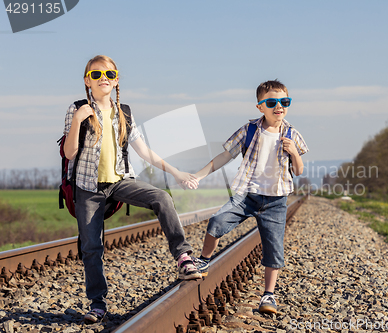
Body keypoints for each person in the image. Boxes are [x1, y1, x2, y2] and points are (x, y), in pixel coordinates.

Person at [63, 55, 202, 324]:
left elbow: (144, 151)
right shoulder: (77, 108)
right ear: (86, 81)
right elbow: (70, 153)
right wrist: (78, 120)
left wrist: (175, 173)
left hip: (119, 181)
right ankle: (97, 304)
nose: (104, 78)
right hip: (87, 188)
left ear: (116, 81)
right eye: (96, 75)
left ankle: (183, 257)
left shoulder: (123, 111)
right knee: (92, 247)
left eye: (110, 74)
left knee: (161, 197)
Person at [191, 79, 308, 314]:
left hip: (276, 200)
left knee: (274, 250)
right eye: (272, 102)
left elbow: (299, 170)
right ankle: (203, 260)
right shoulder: (250, 130)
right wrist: (200, 175)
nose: (279, 107)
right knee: (217, 221)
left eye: (284, 102)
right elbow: (225, 156)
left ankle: (268, 296)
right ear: (260, 107)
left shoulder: (291, 133)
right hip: (247, 196)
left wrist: (294, 152)